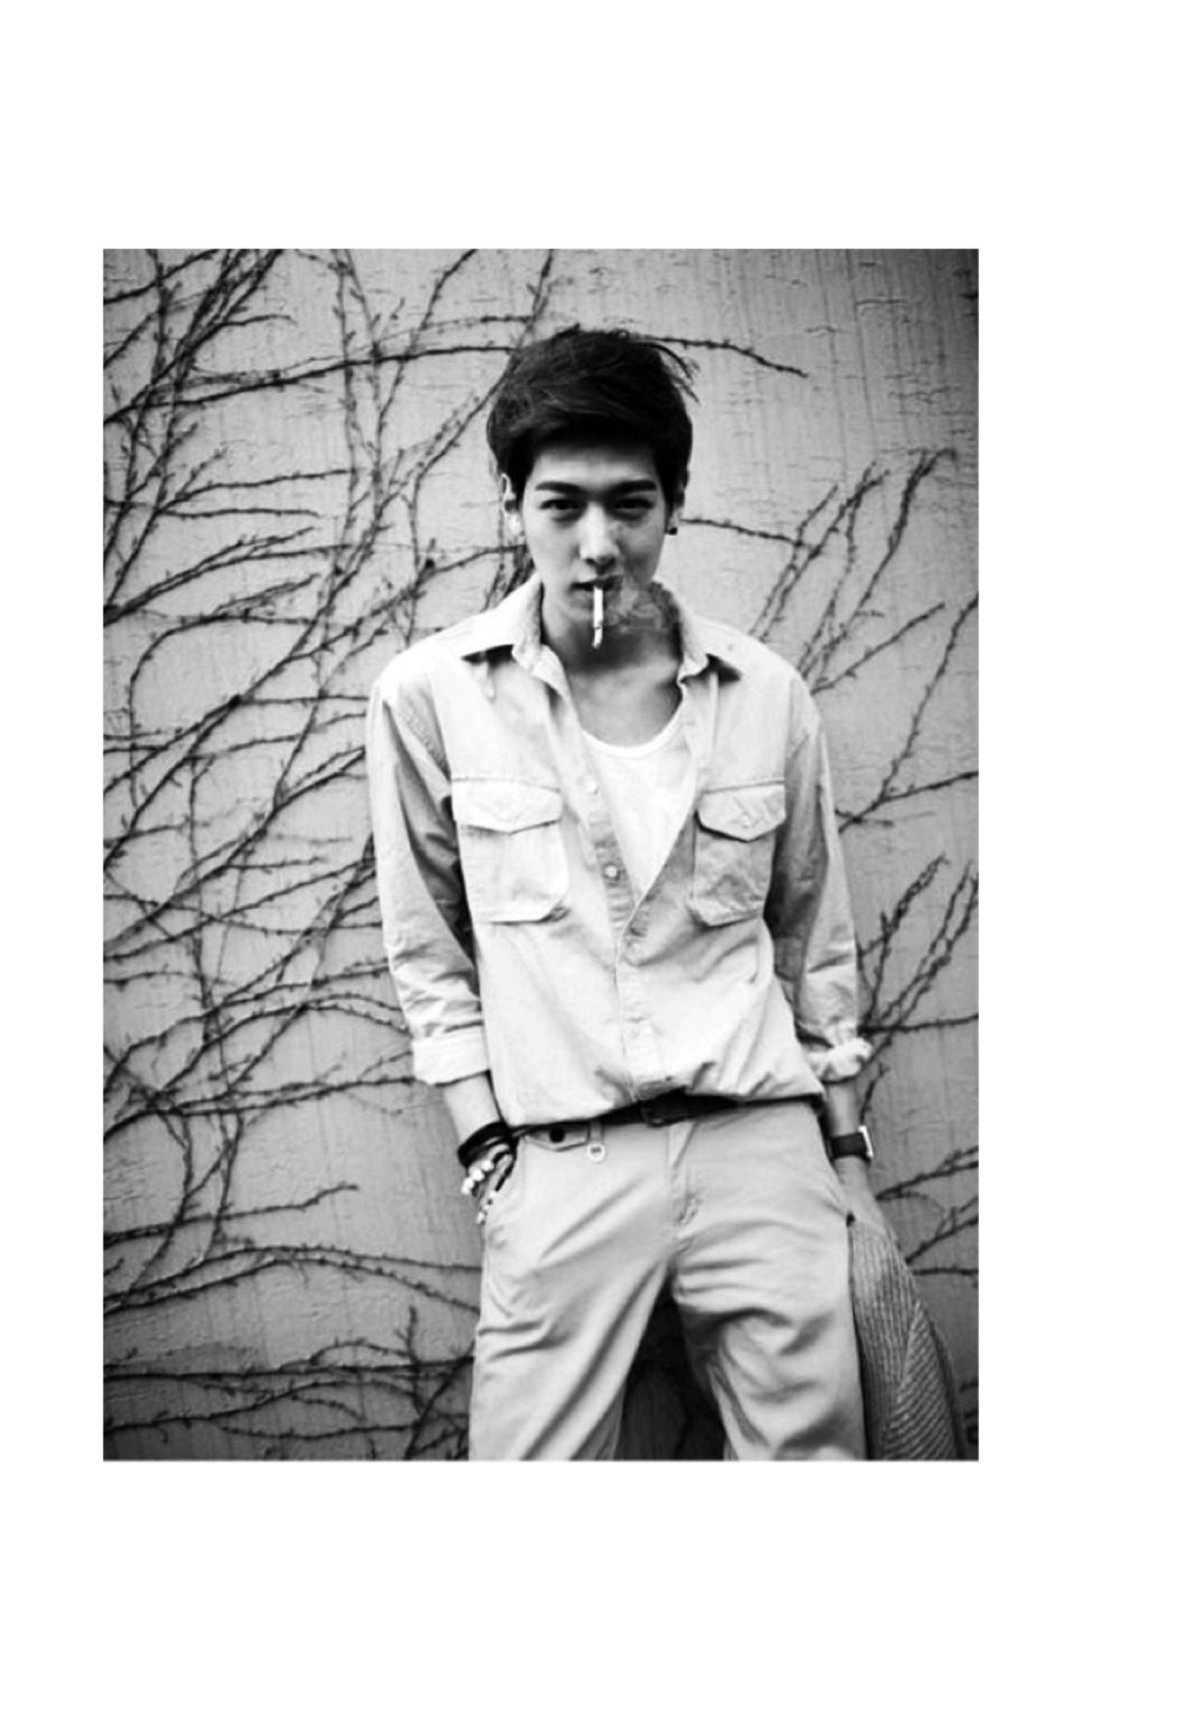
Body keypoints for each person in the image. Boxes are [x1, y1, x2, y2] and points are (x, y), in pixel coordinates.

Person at [366, 326, 889, 1460]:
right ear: (513, 503)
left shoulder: (765, 693)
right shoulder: (429, 698)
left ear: (674, 503)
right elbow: (427, 950)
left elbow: (815, 941)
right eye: (561, 505)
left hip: (761, 1148)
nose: (597, 544)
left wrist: (845, 1160)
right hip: (561, 1163)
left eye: (630, 504)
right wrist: (486, 1149)